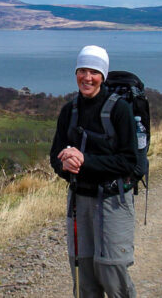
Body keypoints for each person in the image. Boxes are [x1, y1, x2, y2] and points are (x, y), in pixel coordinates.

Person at [50, 45, 138, 298]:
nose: (87, 78)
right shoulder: (69, 110)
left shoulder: (120, 110)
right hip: (79, 200)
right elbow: (55, 156)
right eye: (82, 70)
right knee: (84, 273)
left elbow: (128, 161)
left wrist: (84, 160)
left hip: (112, 201)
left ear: (103, 75)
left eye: (94, 72)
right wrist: (64, 166)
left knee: (112, 272)